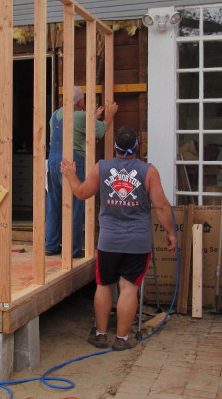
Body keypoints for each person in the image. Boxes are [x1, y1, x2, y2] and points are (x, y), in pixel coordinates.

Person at [60, 126, 176, 350]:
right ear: (136, 147)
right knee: (129, 288)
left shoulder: (102, 167)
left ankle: (101, 334)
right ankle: (122, 339)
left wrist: (71, 175)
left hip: (109, 242)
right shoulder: (148, 171)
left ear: (114, 147)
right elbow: (161, 206)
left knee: (104, 286)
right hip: (137, 242)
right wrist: (171, 233)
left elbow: (82, 193)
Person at [45, 86, 118, 258]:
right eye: (83, 100)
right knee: (75, 204)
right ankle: (73, 249)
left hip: (53, 161)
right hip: (72, 163)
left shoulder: (55, 114)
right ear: (79, 101)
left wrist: (93, 117)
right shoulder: (80, 116)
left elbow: (77, 125)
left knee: (53, 203)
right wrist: (111, 114)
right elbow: (101, 130)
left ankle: (51, 245)